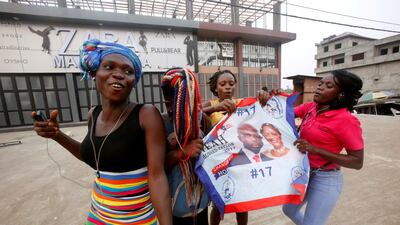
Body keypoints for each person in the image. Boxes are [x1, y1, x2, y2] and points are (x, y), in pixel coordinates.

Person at [32, 39, 172, 225]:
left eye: (128, 71)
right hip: (98, 216)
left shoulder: (146, 115)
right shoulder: (93, 114)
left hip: (138, 220)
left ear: (133, 81)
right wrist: (57, 136)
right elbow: (91, 154)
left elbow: (157, 175)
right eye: (109, 67)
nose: (119, 75)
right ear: (93, 73)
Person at [282, 70, 364, 225]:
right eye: (320, 84)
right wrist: (267, 101)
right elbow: (283, 115)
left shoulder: (346, 120)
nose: (320, 87)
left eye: (328, 85)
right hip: (304, 173)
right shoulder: (312, 108)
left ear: (341, 94)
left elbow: (357, 161)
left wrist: (316, 150)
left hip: (326, 178)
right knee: (288, 210)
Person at [204, 70, 269, 225]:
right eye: (223, 84)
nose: (228, 87)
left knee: (242, 204)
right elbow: (193, 113)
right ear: (215, 88)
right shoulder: (210, 105)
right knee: (218, 204)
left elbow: (262, 107)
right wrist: (216, 108)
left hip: (240, 161)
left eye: (231, 84)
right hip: (219, 163)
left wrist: (262, 96)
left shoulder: (243, 103)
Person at [160, 68, 212, 225]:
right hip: (172, 210)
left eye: (176, 104)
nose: (170, 109)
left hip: (200, 206)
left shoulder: (203, 121)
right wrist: (181, 153)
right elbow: (155, 168)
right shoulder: (161, 123)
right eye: (167, 102)